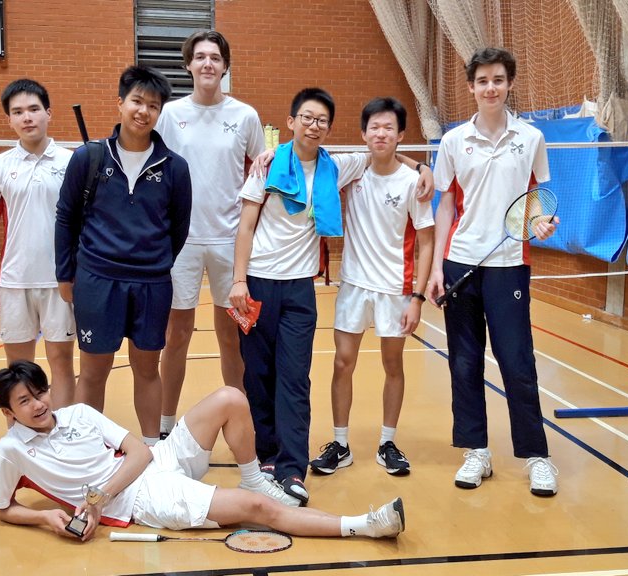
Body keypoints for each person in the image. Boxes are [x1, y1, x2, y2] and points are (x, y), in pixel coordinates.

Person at [228, 88, 432, 506]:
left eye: (322, 120)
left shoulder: (337, 166)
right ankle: (266, 458)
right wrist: (238, 281)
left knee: (295, 378)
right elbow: (245, 227)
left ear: (330, 128)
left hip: (302, 288)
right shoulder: (266, 167)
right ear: (291, 121)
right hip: (258, 283)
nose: (314, 125)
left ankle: (290, 468)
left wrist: (421, 165)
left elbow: (385, 154)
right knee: (257, 377)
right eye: (307, 117)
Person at [0, 360, 406, 541]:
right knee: (256, 511)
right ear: (8, 412)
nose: (39, 404)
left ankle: (255, 478)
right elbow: (3, 508)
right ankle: (365, 525)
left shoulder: (78, 412)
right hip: (144, 499)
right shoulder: (11, 452)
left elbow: (140, 451)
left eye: (40, 392)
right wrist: (45, 516)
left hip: (152, 466)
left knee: (229, 396)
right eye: (25, 401)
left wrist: (97, 497)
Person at [424, 47, 561, 496]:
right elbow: (444, 204)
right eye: (482, 81)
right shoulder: (453, 141)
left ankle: (537, 457)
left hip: (508, 266)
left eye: (498, 80)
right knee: (463, 363)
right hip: (461, 261)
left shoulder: (531, 138)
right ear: (471, 87)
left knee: (518, 362)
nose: (490, 88)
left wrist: (539, 221)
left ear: (509, 84)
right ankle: (476, 452)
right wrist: (437, 268)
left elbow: (536, 194)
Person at [55, 66, 192, 446]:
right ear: (120, 103)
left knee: (147, 369)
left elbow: (178, 228)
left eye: (152, 105)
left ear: (160, 111)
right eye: (136, 101)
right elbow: (66, 217)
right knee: (93, 370)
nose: (143, 111)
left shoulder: (175, 168)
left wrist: (154, 260)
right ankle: (86, 449)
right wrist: (66, 275)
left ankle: (152, 452)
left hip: (152, 284)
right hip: (97, 281)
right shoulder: (88, 158)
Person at [309, 97, 435, 478]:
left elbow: (427, 241)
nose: (381, 134)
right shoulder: (352, 171)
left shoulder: (414, 183)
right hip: (354, 286)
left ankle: (387, 442)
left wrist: (417, 297)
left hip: (395, 289)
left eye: (389, 128)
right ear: (363, 134)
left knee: (392, 365)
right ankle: (341, 444)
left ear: (400, 135)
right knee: (342, 363)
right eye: (374, 127)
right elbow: (312, 153)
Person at [155, 30, 264, 440]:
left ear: (225, 65)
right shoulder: (169, 113)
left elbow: (262, 168)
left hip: (228, 241)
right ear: (188, 65)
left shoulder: (245, 116)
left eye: (215, 58)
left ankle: (238, 421)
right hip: (179, 242)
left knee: (230, 336)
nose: (207, 64)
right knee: (176, 335)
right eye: (199, 57)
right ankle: (166, 427)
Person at [0, 79, 77, 474]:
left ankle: (63, 440)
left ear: (48, 113)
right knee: (17, 370)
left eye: (33, 109)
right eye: (17, 112)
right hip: (14, 281)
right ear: (9, 120)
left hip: (60, 281)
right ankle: (19, 446)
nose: (27, 117)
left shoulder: (71, 162)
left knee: (61, 362)